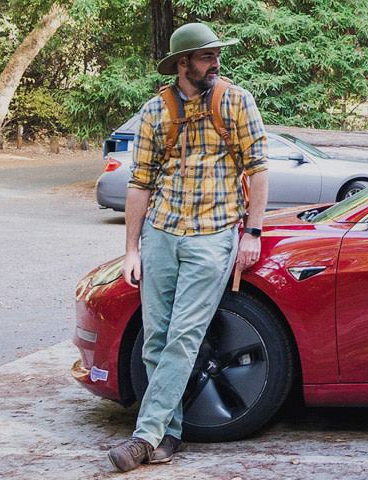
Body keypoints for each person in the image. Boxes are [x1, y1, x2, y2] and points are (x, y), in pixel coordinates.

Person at [106, 22, 269, 472]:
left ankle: (144, 436)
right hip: (160, 232)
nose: (216, 63)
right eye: (206, 57)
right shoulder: (154, 111)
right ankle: (169, 433)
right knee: (154, 341)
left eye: (216, 55)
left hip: (213, 234)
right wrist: (132, 248)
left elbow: (258, 169)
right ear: (183, 64)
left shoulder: (237, 101)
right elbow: (139, 182)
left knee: (183, 336)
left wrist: (251, 233)